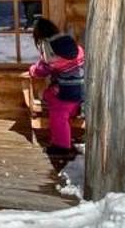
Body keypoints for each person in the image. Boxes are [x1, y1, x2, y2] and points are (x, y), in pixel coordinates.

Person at [27, 17, 86, 165]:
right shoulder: (71, 43)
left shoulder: (49, 49)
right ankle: (67, 136)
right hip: (82, 89)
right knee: (58, 101)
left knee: (58, 113)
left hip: (66, 91)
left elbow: (41, 70)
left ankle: (61, 146)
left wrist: (32, 70)